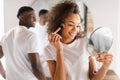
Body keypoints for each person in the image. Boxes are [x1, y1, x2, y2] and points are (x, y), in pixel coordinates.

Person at [44, 1, 113, 80]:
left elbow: (93, 78)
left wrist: (105, 66)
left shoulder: (85, 42)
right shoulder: (49, 49)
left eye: (77, 25)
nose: (75, 30)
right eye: (70, 24)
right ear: (59, 25)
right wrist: (59, 50)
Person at [0, 6, 46, 80]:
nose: (35, 19)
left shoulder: (6, 35)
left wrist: (5, 75)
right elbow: (36, 66)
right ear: (22, 18)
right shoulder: (30, 35)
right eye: (32, 16)